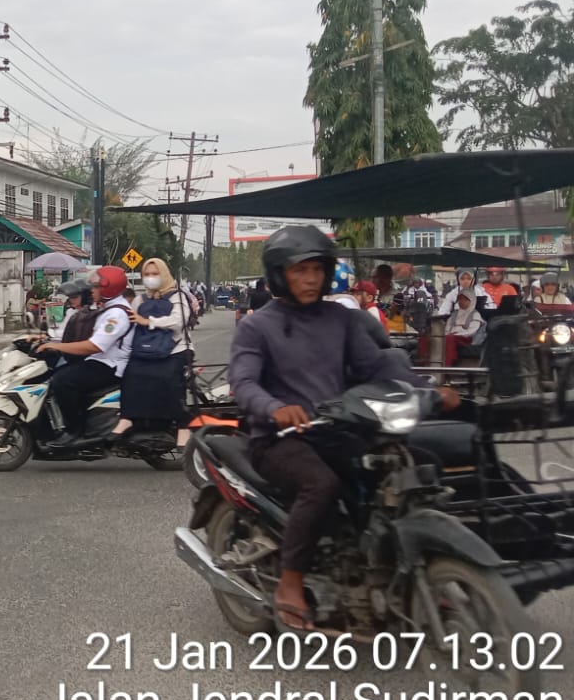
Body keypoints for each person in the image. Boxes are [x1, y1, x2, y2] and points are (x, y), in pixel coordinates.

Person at [229, 226, 459, 631]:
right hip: (280, 437)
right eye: (300, 270)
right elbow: (244, 382)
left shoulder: (342, 318)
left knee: (412, 467)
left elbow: (379, 365)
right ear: (280, 273)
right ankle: (290, 582)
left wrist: (429, 390)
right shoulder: (257, 326)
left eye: (317, 269)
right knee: (321, 485)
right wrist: (275, 408)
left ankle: (417, 569)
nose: (311, 278)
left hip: (336, 428)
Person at [33, 266, 135, 449]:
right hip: (100, 360)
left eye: (96, 287)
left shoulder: (116, 315)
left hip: (110, 365)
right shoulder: (108, 308)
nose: (92, 291)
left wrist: (56, 346)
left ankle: (74, 431)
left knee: (62, 381)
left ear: (107, 289)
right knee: (61, 372)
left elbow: (94, 345)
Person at [113, 258, 193, 446]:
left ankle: (183, 425)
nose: (150, 278)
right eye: (147, 275)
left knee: (169, 379)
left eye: (155, 274)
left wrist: (148, 321)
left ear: (164, 274)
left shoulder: (178, 297)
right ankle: (128, 417)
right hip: (146, 350)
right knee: (131, 373)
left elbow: (178, 322)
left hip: (176, 349)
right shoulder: (140, 299)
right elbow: (129, 323)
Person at [443, 291, 485, 366]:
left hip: (466, 338)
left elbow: (472, 331)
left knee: (449, 339)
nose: (461, 302)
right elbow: (447, 328)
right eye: (460, 300)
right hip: (451, 336)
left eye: (465, 300)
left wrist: (456, 334)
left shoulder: (475, 314)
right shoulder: (454, 314)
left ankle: (447, 366)